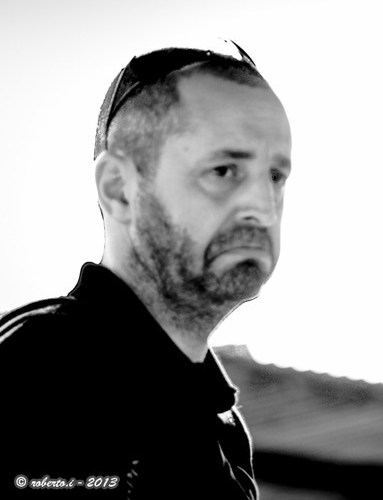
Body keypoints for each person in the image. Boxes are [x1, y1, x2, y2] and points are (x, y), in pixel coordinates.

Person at [0, 41, 292, 499]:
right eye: (223, 169)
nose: (262, 205)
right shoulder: (44, 375)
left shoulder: (221, 424)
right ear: (120, 188)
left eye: (275, 176)